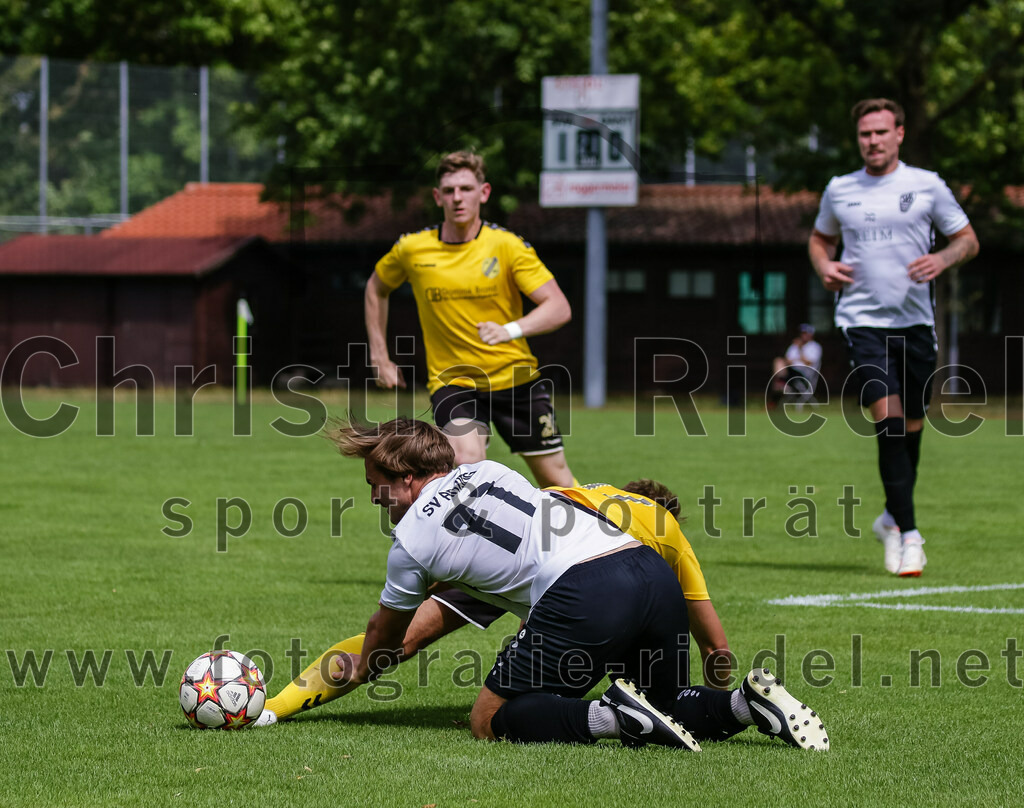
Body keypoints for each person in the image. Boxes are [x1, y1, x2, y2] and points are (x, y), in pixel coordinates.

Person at [259, 417, 830, 752]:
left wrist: (360, 667)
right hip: (649, 570)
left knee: (487, 720)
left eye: (376, 483)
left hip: (584, 590)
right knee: (668, 706)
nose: (372, 497)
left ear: (407, 478)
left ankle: (611, 717)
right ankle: (747, 705)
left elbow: (386, 638)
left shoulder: (411, 542)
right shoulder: (492, 470)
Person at [256, 477, 733, 728]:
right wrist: (707, 686)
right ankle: (715, 707)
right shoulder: (665, 528)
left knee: (397, 640)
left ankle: (274, 707)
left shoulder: (583, 492)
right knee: (514, 711)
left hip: (512, 543)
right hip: (588, 576)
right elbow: (716, 648)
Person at [808, 98, 979, 577]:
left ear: (899, 134)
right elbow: (820, 240)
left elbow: (968, 239)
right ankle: (910, 535)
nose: (873, 141)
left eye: (881, 132)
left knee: (912, 428)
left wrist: (942, 259)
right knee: (888, 420)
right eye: (865, 134)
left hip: (916, 326)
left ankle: (890, 519)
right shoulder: (840, 189)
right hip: (861, 322)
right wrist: (824, 266)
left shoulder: (926, 185)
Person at [365, 150, 575, 488]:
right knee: (466, 462)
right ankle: (490, 522)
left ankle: (594, 523)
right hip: (455, 381)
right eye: (449, 191)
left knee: (558, 484)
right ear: (438, 197)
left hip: (515, 378)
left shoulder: (507, 246)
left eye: (465, 188)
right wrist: (379, 355)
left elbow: (558, 307)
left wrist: (509, 330)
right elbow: (376, 289)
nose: (457, 198)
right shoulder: (412, 249)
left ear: (484, 192)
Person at [771, 324, 823, 400]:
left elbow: (808, 363)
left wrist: (800, 349)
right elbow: (787, 360)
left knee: (784, 372)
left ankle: (781, 385)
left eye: (805, 333)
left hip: (805, 375)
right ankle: (781, 383)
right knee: (778, 361)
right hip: (790, 371)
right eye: (802, 333)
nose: (803, 335)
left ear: (811, 334)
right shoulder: (794, 346)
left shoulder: (815, 347)